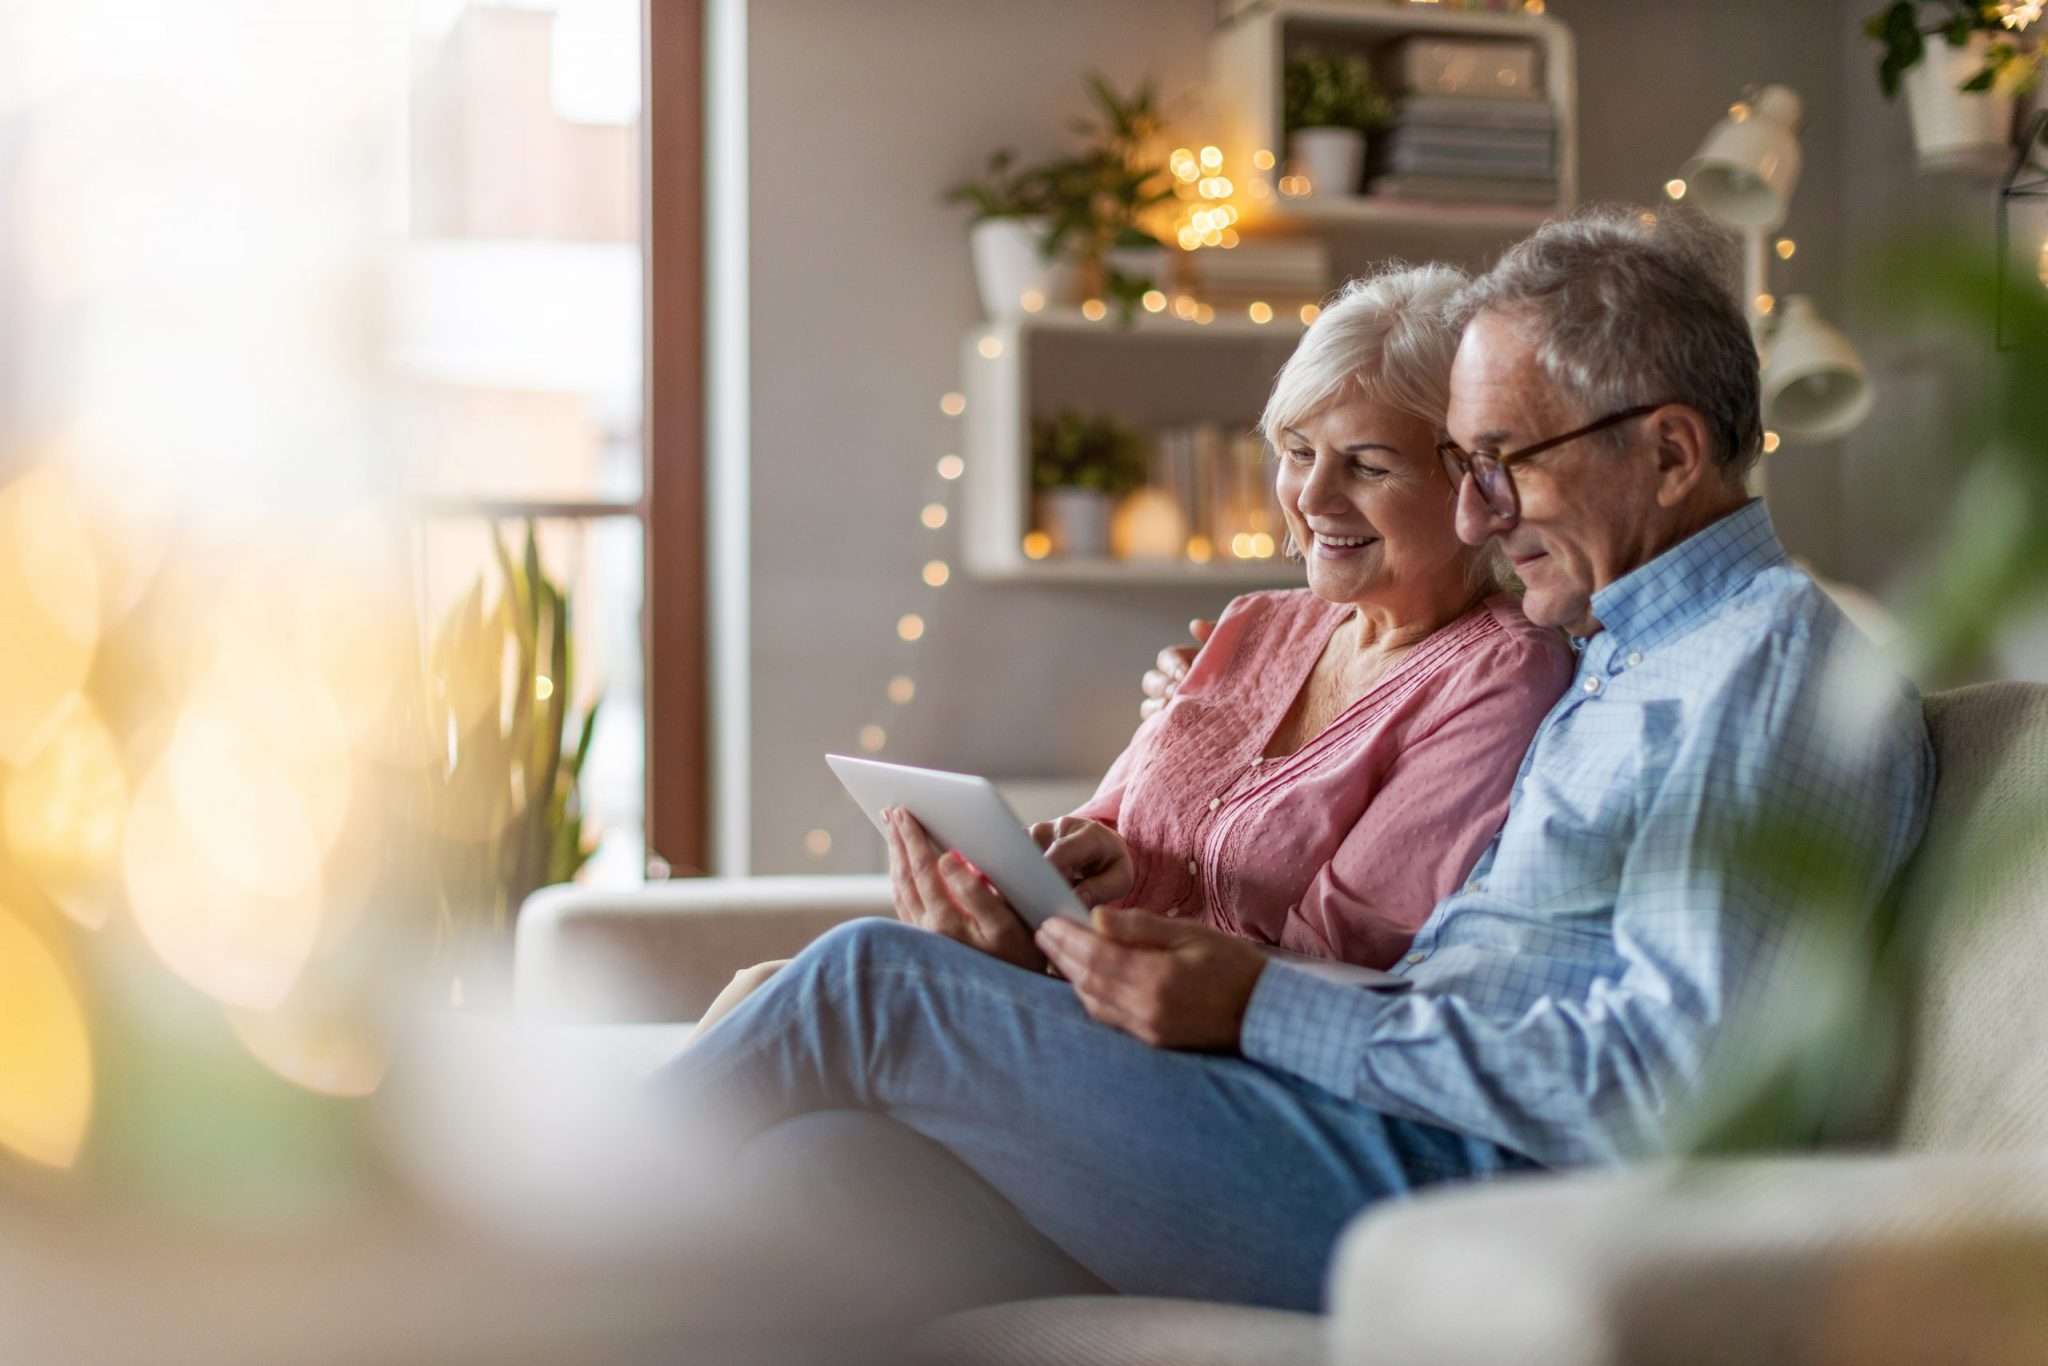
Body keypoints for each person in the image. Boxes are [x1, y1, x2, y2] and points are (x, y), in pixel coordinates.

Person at [658, 206, 1933, 1317]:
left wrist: (1260, 1006)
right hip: (1390, 1139)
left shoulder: (1761, 673)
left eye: (1503, 464)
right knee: (819, 1173)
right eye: (1468, 466)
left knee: (873, 984)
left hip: (1487, 1199)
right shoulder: (1622, 652)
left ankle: (488, 1241)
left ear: (1665, 451)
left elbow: (1668, 1096)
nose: (1480, 514)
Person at [690, 264, 1573, 1033]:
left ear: (1475, 485)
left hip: (1212, 1062)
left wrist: (1051, 952)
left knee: (823, 984)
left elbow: (1344, 959)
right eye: (1297, 451)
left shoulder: (1502, 672)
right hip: (1091, 995)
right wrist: (1085, 867)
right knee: (769, 989)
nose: (1312, 497)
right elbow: (1119, 831)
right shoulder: (1257, 624)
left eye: (1369, 466)